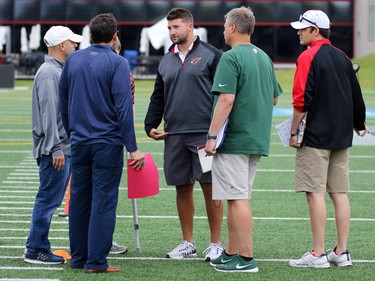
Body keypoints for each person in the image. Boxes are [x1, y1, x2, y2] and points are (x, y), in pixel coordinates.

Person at [59, 13, 144, 273]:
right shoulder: (117, 63)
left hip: (80, 141)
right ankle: (96, 261)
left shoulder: (72, 59)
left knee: (80, 200)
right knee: (104, 202)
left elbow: (63, 101)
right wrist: (133, 147)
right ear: (115, 35)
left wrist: (72, 130)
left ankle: (79, 257)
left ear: (90, 34)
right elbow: (123, 109)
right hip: (106, 143)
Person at [288, 10, 369, 268]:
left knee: (315, 193)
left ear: (316, 29)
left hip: (315, 137)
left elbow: (301, 99)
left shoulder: (308, 56)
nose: (298, 31)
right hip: (341, 136)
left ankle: (318, 253)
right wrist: (358, 123)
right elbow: (357, 95)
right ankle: (341, 252)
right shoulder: (343, 57)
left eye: (303, 28)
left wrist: (292, 132)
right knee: (340, 193)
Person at [204, 7, 282, 273]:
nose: (224, 29)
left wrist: (212, 136)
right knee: (237, 196)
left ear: (234, 28)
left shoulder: (230, 57)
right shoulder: (264, 57)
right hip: (256, 138)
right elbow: (274, 97)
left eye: (226, 25)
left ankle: (246, 259)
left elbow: (226, 100)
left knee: (237, 199)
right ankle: (231, 251)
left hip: (234, 139)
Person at [144, 7, 224, 261]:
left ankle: (215, 243)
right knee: (182, 187)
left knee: (210, 187)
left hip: (204, 135)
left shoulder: (213, 55)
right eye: (169, 28)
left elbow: (224, 96)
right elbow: (158, 96)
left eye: (176, 27)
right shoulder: (166, 59)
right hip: (175, 134)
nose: (172, 32)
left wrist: (216, 133)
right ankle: (187, 242)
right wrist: (149, 125)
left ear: (190, 27)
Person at [25, 26, 82, 265]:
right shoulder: (50, 72)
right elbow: (49, 114)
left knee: (50, 199)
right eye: (72, 42)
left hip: (58, 147)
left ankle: (37, 246)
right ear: (62, 45)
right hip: (55, 150)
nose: (76, 46)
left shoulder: (55, 70)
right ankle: (36, 248)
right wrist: (56, 147)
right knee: (48, 200)